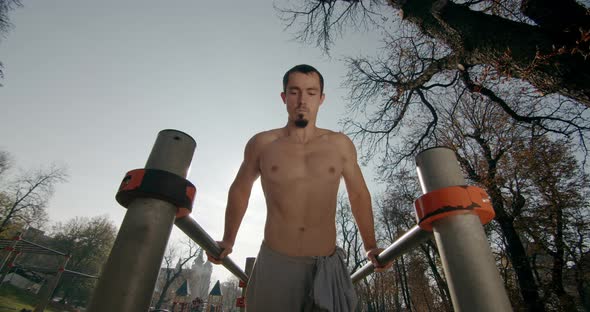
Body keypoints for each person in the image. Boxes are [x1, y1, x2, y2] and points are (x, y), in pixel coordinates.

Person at [207, 64, 391, 311]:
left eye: (311, 92)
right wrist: (228, 239)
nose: (303, 100)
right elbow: (241, 189)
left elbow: (358, 194)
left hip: (325, 267)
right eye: (294, 92)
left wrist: (370, 245)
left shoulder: (340, 144)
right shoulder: (262, 143)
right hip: (275, 263)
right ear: (284, 97)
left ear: (321, 99)